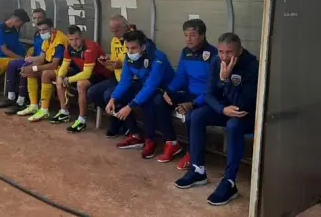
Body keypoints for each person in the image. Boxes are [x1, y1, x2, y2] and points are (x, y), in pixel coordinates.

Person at [174, 32, 259, 207]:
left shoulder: (251, 65)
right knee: (196, 115)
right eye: (221, 52)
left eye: (229, 52)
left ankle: (229, 182)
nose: (224, 57)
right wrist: (221, 109)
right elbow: (209, 93)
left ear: (240, 50)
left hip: (245, 113)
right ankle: (197, 170)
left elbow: (243, 103)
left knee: (233, 125)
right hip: (225, 109)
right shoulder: (216, 61)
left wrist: (226, 79)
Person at [105, 30, 176, 160]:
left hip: (164, 90)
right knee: (111, 95)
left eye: (134, 48)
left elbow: (151, 85)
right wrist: (112, 99)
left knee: (148, 101)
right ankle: (136, 135)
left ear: (143, 46)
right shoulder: (129, 57)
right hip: (146, 87)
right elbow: (125, 80)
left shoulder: (158, 57)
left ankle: (152, 140)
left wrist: (130, 106)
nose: (130, 52)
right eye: (127, 48)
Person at [164, 19, 218, 169]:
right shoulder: (185, 52)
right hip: (190, 94)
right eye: (185, 35)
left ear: (202, 35)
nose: (188, 39)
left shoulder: (213, 54)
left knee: (191, 115)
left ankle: (192, 153)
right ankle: (171, 142)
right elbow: (181, 76)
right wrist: (169, 91)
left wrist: (194, 103)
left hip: (207, 98)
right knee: (158, 101)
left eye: (192, 35)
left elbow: (212, 87)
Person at [51, 25, 113, 132]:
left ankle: (82, 120)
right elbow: (64, 66)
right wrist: (61, 77)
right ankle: (64, 112)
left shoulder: (90, 47)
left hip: (102, 74)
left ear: (81, 37)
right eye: (71, 39)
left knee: (81, 84)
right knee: (59, 79)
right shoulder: (69, 48)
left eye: (76, 39)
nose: (74, 42)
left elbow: (87, 74)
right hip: (84, 72)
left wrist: (69, 80)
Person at [87, 15, 135, 137]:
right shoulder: (115, 40)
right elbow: (115, 62)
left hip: (132, 79)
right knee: (93, 92)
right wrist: (107, 62)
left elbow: (136, 63)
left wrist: (120, 64)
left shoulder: (134, 39)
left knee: (109, 94)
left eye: (117, 30)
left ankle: (127, 125)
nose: (114, 34)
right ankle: (120, 120)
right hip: (117, 77)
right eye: (112, 31)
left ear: (125, 27)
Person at [14, 18, 68, 121]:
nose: (42, 32)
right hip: (54, 67)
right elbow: (42, 58)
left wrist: (34, 68)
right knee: (31, 73)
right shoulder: (46, 39)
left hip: (64, 69)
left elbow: (54, 65)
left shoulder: (59, 41)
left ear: (52, 28)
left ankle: (44, 110)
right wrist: (29, 68)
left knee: (45, 74)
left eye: (44, 29)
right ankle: (34, 105)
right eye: (40, 30)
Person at [0, 8, 46, 114]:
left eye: (40, 17)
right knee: (11, 64)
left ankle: (21, 101)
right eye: (35, 18)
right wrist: (30, 54)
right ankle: (11, 97)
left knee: (26, 67)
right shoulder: (38, 33)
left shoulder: (47, 32)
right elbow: (37, 49)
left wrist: (31, 59)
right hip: (35, 59)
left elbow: (45, 55)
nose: (37, 20)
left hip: (43, 62)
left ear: (45, 18)